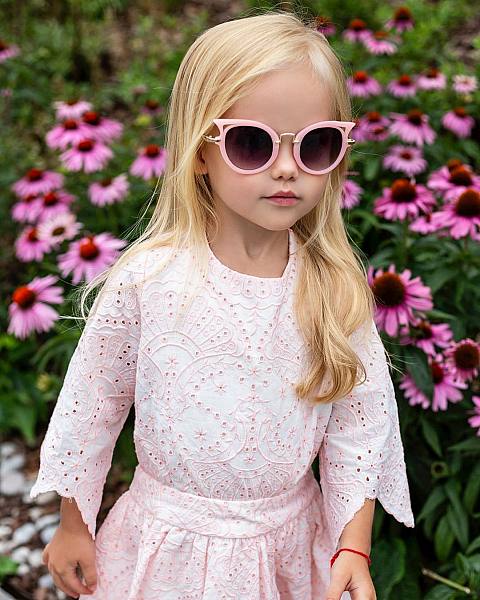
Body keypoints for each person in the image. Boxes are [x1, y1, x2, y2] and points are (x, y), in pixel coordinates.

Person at [30, 10, 415, 600]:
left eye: (315, 145)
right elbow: (93, 404)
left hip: (288, 550)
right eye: (251, 142)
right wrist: (73, 523)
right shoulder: (150, 280)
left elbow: (358, 427)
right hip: (166, 550)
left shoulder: (334, 289)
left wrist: (353, 546)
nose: (286, 168)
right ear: (200, 151)